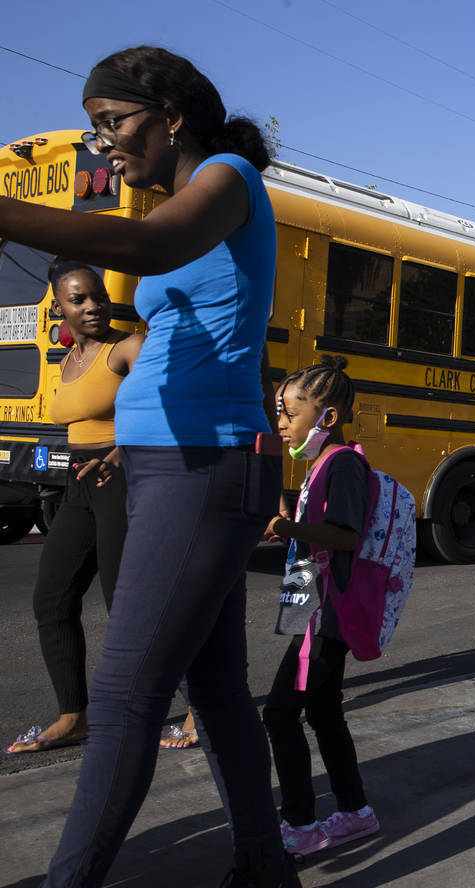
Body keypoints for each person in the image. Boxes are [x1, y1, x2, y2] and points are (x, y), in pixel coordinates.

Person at [0, 47, 297, 886]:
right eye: (95, 130)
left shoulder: (228, 179)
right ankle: (264, 867)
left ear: (171, 116)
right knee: (216, 690)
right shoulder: (188, 198)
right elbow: (171, 334)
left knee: (128, 693)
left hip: (205, 465)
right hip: (172, 461)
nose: (105, 146)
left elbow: (149, 246)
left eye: (114, 124)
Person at [6, 262, 142, 755]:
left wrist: (117, 455)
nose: (92, 307)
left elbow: (163, 409)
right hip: (78, 481)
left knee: (127, 606)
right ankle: (73, 716)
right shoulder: (64, 361)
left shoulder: (127, 348)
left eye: (98, 297)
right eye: (78, 300)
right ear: (59, 307)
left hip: (122, 476)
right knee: (52, 600)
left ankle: (192, 705)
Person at [263, 356, 379, 860]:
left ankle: (301, 822)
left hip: (327, 611)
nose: (283, 420)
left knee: (281, 714)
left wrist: (290, 529)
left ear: (326, 417)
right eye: (279, 411)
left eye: (291, 411)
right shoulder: (319, 465)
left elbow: (346, 536)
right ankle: (354, 811)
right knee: (324, 709)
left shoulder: (344, 464)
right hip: (313, 602)